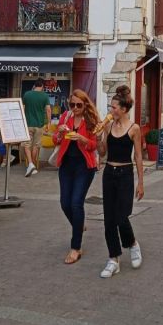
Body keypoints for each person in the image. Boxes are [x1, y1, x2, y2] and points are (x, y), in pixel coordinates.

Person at [97, 85, 144, 278]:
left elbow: (139, 157)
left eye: (114, 107)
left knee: (122, 216)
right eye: (110, 107)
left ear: (123, 109)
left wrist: (141, 182)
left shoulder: (134, 129)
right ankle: (113, 258)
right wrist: (100, 136)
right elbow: (102, 153)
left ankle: (132, 243)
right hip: (109, 172)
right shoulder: (108, 126)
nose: (111, 111)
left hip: (125, 172)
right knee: (109, 219)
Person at [52, 89, 99, 265]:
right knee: (65, 203)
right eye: (72, 104)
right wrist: (60, 133)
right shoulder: (65, 117)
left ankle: (76, 247)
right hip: (66, 165)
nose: (75, 108)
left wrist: (82, 139)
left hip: (84, 166)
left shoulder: (91, 121)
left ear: (85, 104)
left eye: (78, 105)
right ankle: (79, 225)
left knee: (76, 203)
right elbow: (56, 140)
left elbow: (94, 145)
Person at [22, 78, 52, 177]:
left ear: (34, 85)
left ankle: (30, 164)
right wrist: (49, 122)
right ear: (42, 86)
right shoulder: (44, 96)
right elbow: (48, 110)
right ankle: (33, 165)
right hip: (39, 125)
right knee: (35, 146)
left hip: (28, 124)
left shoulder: (27, 94)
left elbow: (23, 108)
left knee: (27, 145)